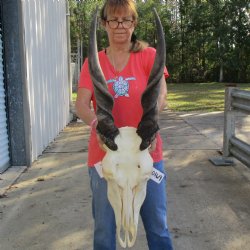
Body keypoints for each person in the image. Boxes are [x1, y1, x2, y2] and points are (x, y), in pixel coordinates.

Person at [75, 0, 174, 249]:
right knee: (104, 231)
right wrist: (98, 125)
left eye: (126, 19)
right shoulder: (93, 62)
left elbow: (161, 96)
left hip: (147, 155)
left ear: (134, 22)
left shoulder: (149, 56)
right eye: (113, 20)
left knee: (157, 226)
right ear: (104, 23)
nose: (120, 26)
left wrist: (151, 124)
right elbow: (81, 105)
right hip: (105, 158)